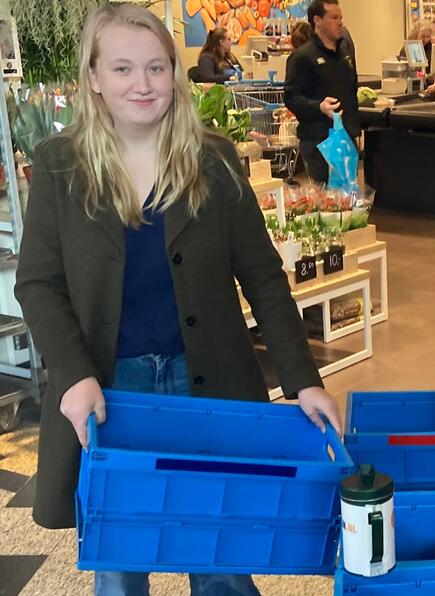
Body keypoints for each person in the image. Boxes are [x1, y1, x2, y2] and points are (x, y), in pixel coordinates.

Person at [14, 5, 341, 595]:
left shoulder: (212, 159)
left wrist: (302, 379)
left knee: (220, 546)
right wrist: (72, 376)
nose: (142, 84)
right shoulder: (60, 164)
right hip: (111, 388)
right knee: (119, 554)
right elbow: (38, 282)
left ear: (175, 73)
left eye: (157, 67)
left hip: (208, 381)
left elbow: (263, 275)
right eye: (122, 68)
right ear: (92, 77)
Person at [284, 0, 359, 185]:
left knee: (349, 202)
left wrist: (355, 129)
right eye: (334, 17)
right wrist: (319, 107)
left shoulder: (345, 55)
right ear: (317, 20)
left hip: (346, 140)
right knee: (327, 206)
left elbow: (351, 92)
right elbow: (291, 97)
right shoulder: (302, 57)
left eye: (341, 17)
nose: (340, 22)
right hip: (319, 142)